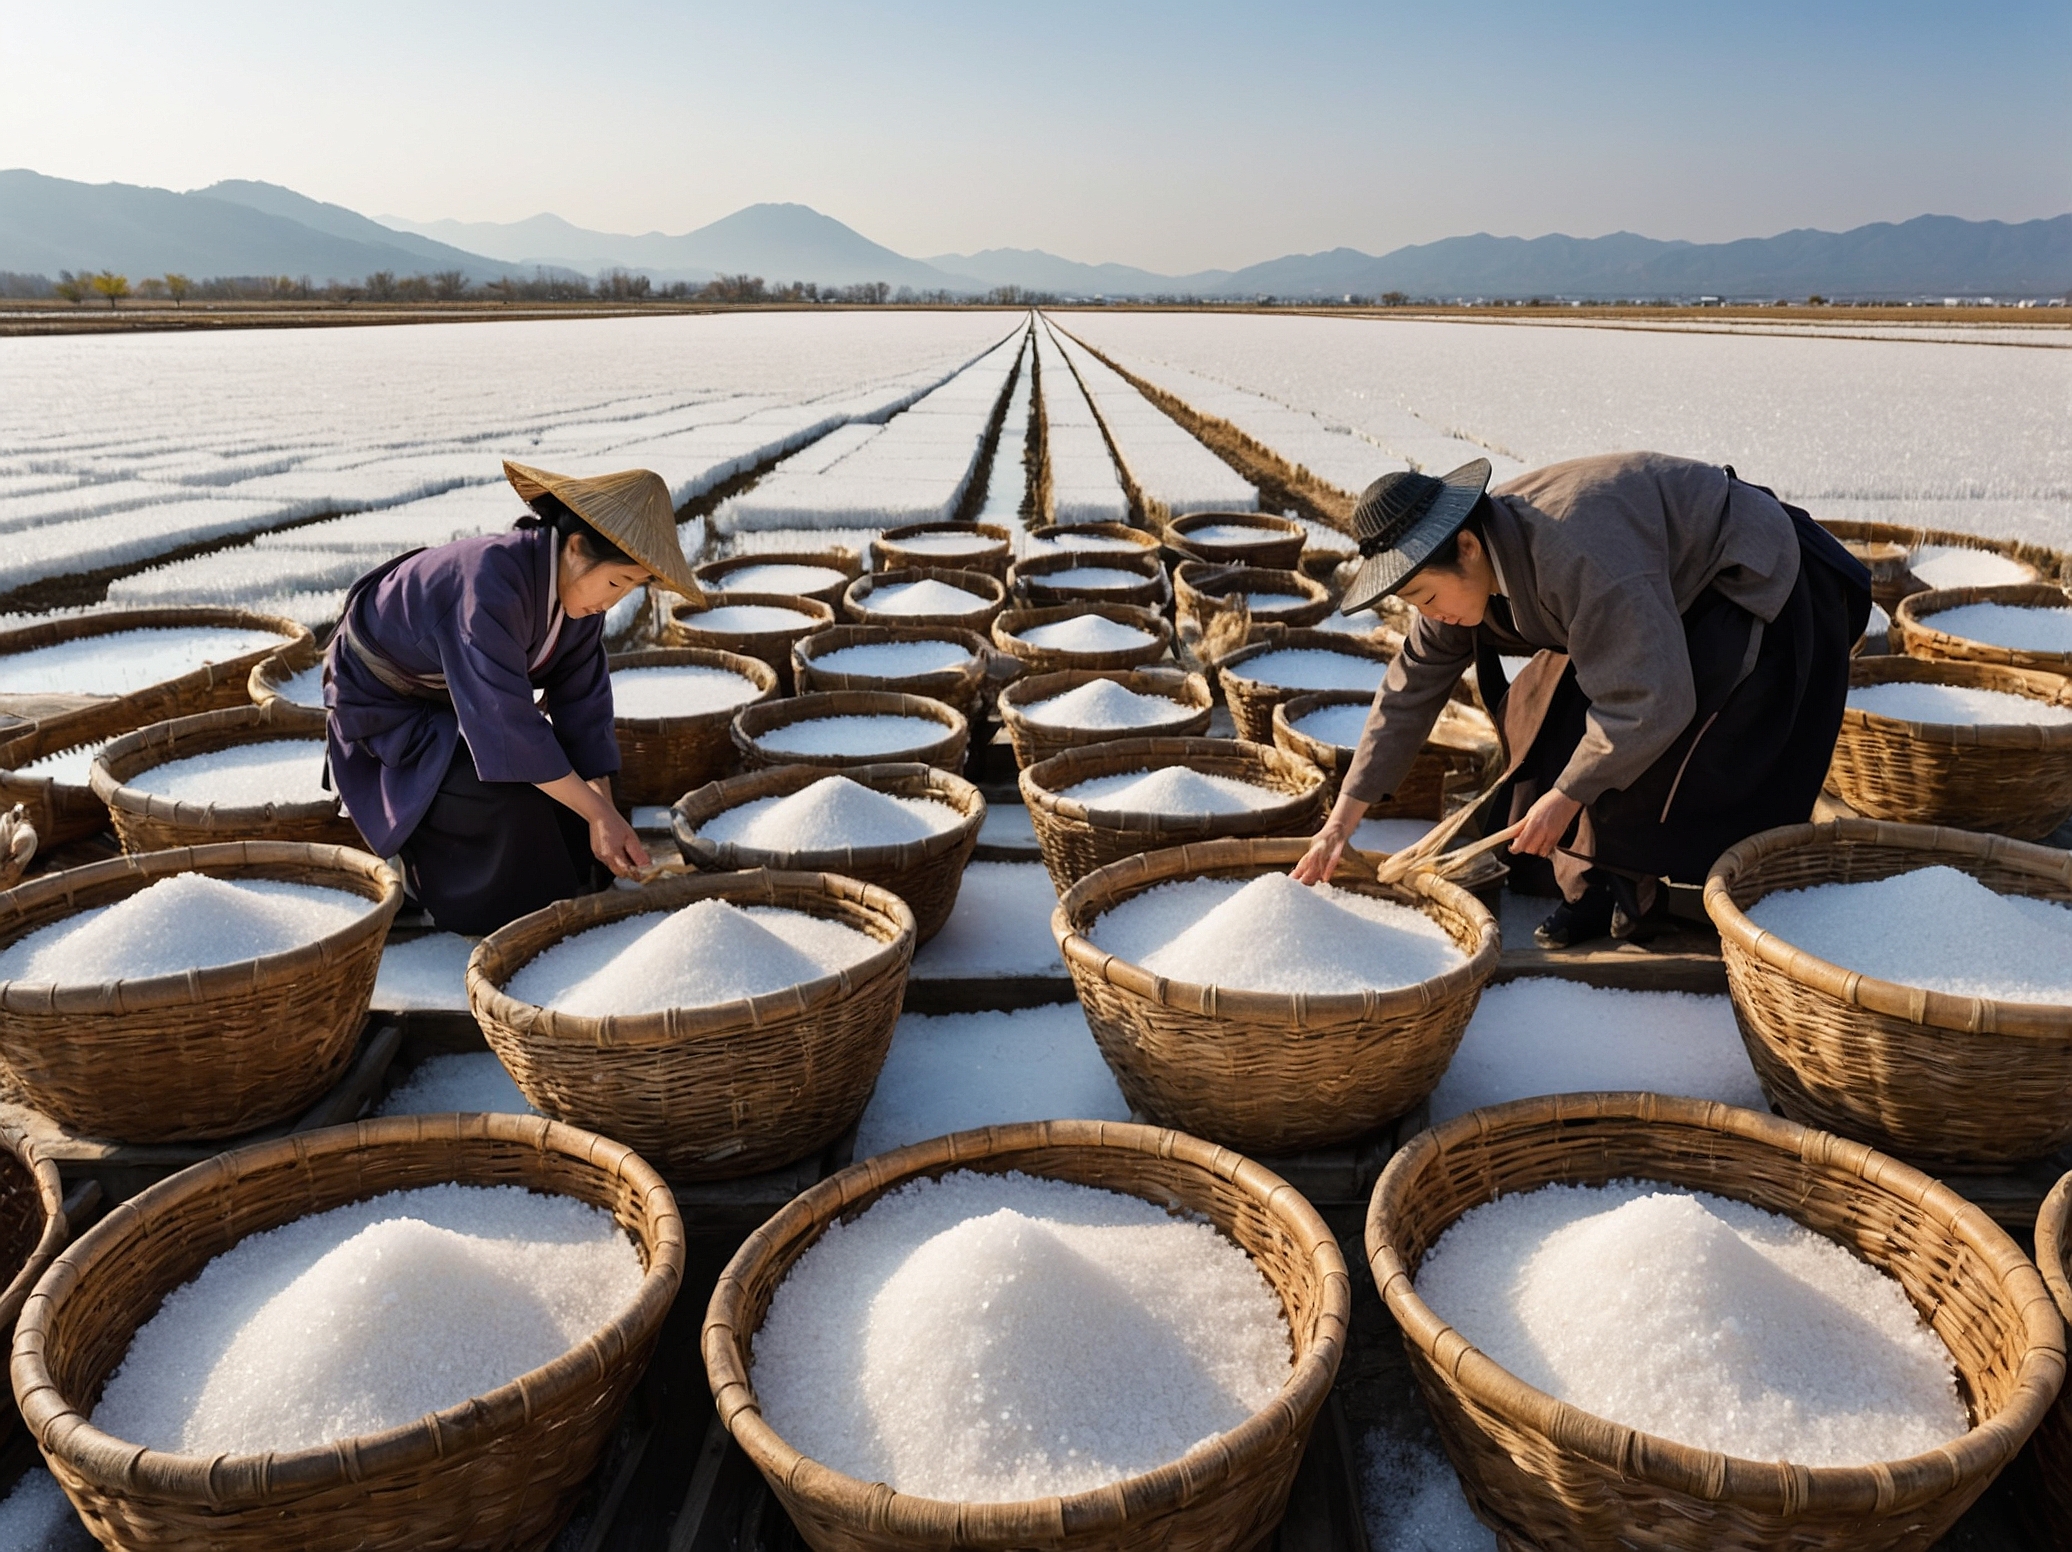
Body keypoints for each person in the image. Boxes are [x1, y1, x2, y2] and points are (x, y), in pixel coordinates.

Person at [1291, 451, 1871, 947]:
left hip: (1748, 574)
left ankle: (1643, 892)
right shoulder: (1452, 567)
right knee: (1542, 719)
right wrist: (1342, 821)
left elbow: (1651, 699)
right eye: (1413, 602)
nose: (1430, 614)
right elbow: (1410, 686)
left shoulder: (1576, 551)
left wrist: (1567, 796)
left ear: (1467, 546)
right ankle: (1596, 888)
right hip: (1651, 591)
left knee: (1667, 752)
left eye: (1425, 596)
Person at [324, 460, 703, 935]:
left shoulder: (578, 602)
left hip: (456, 697)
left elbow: (583, 708)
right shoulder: (490, 583)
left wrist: (601, 810)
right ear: (577, 548)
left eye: (630, 588)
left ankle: (571, 886)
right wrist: (597, 813)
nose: (612, 602)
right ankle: (434, 886)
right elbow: (506, 728)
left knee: (578, 802)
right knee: (505, 805)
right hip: (384, 705)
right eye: (613, 582)